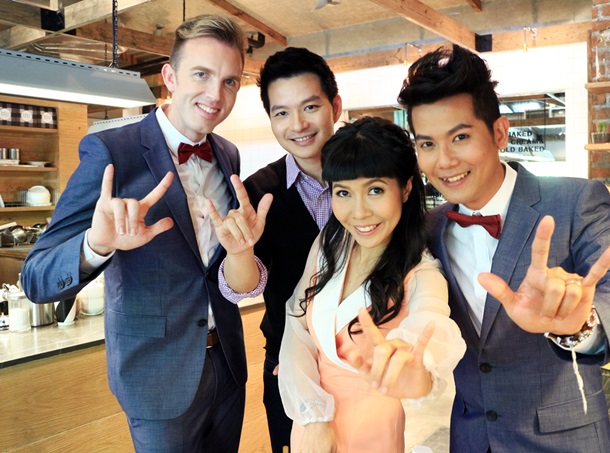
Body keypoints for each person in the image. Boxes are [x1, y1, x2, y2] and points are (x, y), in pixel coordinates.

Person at [20, 15, 271, 453]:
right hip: (156, 380)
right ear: (170, 77)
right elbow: (36, 277)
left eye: (230, 81)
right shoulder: (111, 151)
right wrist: (97, 244)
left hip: (228, 365)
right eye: (201, 74)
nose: (216, 95)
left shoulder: (227, 154)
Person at [397, 44, 610, 452]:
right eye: (427, 144)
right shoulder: (429, 228)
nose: (443, 161)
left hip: (564, 441)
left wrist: (578, 323)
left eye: (460, 137)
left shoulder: (574, 201)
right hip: (471, 439)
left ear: (499, 132)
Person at [277, 116, 466, 453]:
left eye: (375, 190)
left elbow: (431, 323)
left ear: (405, 189)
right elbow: (296, 323)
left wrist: (417, 368)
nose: (359, 212)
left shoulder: (421, 274)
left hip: (376, 434)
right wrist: (314, 417)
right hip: (312, 429)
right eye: (343, 192)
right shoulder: (330, 244)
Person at [218, 46, 342, 452]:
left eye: (311, 107)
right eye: (282, 113)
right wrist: (240, 253)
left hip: (364, 363)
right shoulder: (258, 192)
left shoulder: (371, 176)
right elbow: (244, 287)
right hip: (288, 365)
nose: (298, 125)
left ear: (335, 106)